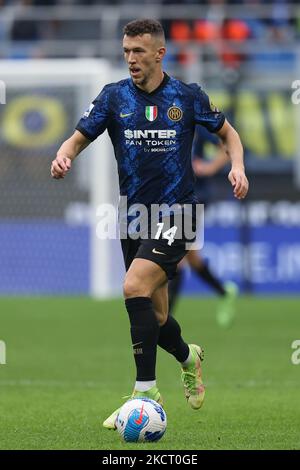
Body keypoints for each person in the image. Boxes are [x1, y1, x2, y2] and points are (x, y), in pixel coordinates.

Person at [50, 19, 249, 430]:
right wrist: (64, 154)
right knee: (155, 317)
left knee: (133, 287)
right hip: (134, 216)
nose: (130, 59)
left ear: (159, 53)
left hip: (179, 214)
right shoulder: (113, 97)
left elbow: (230, 135)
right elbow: (78, 138)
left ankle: (144, 393)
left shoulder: (188, 97)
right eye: (126, 51)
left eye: (138, 52)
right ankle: (189, 357)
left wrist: (238, 167)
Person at [168, 125, 238, 327]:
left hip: (195, 196)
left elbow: (226, 147)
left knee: (177, 257)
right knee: (191, 257)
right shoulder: (163, 119)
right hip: (173, 196)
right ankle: (224, 291)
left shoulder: (195, 120)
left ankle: (163, 322)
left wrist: (209, 167)